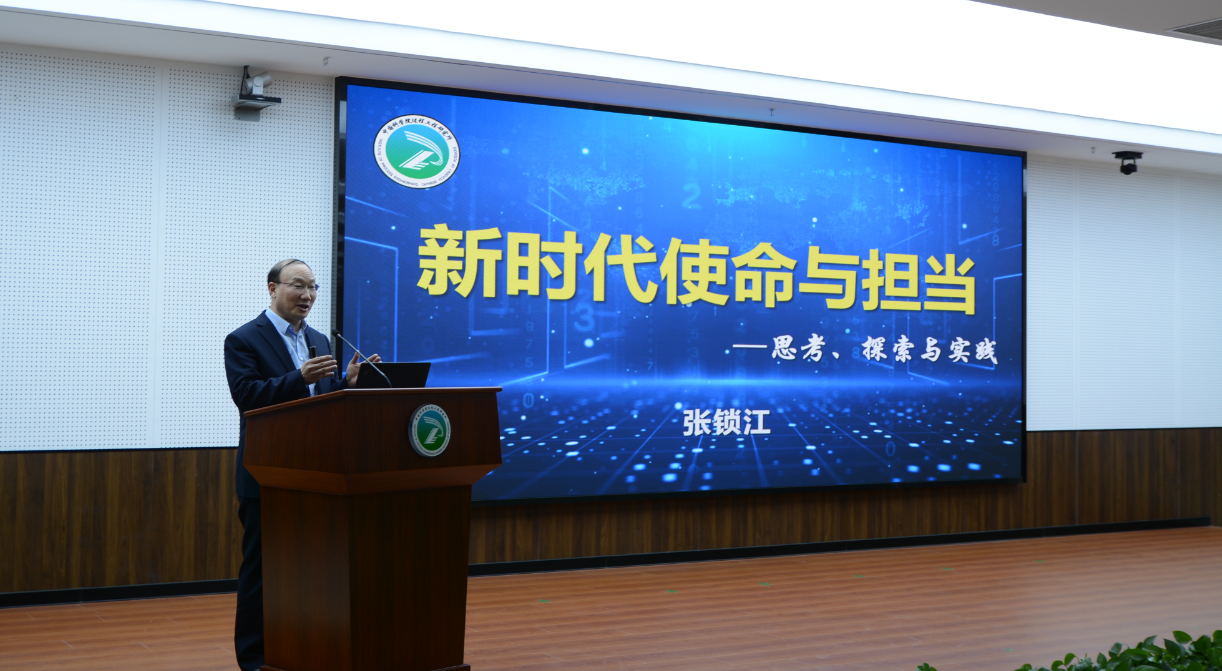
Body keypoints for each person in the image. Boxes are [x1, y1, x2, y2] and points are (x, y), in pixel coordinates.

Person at [223, 259, 381, 671]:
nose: (308, 295)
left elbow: (319, 403)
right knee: (262, 572)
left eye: (313, 287)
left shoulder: (319, 340)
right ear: (272, 288)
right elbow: (248, 397)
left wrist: (345, 385)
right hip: (267, 475)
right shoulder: (243, 339)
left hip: (317, 477)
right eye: (298, 285)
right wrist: (300, 377)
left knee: (310, 571)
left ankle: (302, 648)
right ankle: (255, 659)